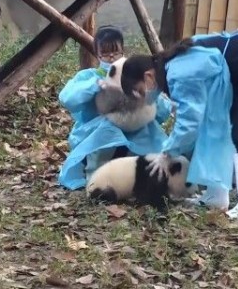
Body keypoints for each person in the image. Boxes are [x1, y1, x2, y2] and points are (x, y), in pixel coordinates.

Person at [119, 30, 238, 220]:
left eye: (140, 92)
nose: (144, 99)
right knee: (216, 132)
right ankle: (216, 196)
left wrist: (167, 153)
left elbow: (190, 123)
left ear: (148, 77)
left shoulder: (179, 73)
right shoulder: (173, 65)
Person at [57, 25, 174, 190]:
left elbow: (159, 111)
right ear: (97, 54)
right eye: (105, 53)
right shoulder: (89, 76)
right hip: (96, 134)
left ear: (123, 50)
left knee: (150, 135)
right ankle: (95, 180)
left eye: (116, 52)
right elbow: (67, 98)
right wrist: (97, 85)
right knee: (107, 132)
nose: (111, 57)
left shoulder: (132, 74)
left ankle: (146, 177)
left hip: (133, 132)